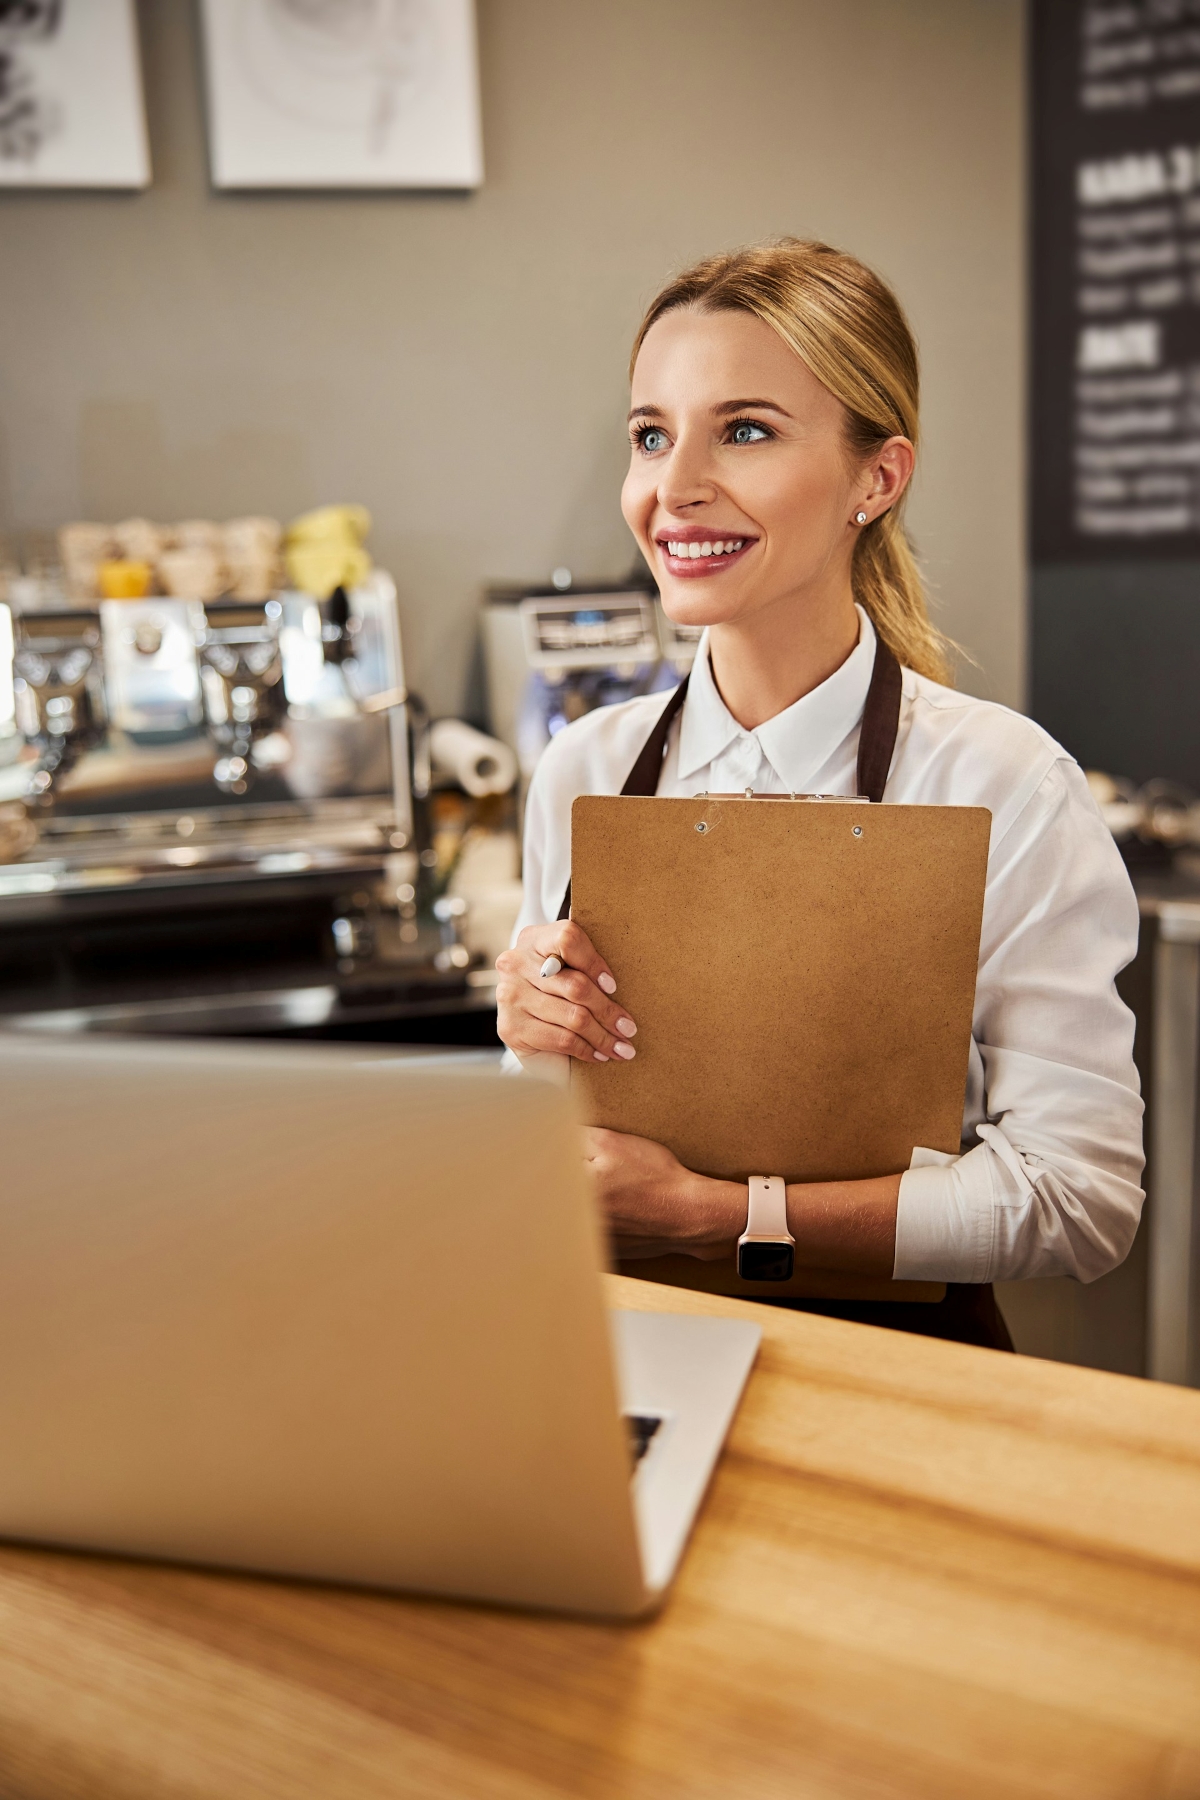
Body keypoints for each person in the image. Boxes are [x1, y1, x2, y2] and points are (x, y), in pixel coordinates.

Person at [495, 239, 1144, 1350]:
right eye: (652, 436)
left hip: (903, 1371)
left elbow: (1082, 1200)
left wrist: (722, 1219)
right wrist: (528, 1047)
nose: (674, 488)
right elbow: (564, 1151)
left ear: (877, 478)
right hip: (626, 1349)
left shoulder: (1005, 785)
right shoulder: (583, 771)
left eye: (743, 430)